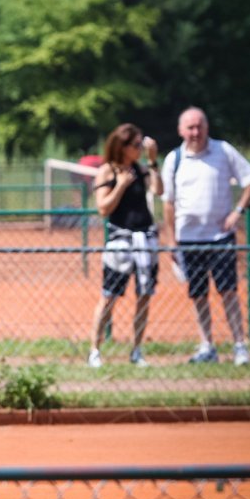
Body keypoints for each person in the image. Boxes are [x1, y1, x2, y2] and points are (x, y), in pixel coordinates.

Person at [161, 107, 250, 365]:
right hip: (188, 239)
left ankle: (240, 346)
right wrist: (171, 240)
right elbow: (168, 203)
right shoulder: (174, 159)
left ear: (207, 127)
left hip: (220, 237)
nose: (195, 132)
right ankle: (207, 346)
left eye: (199, 126)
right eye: (190, 127)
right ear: (181, 130)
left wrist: (237, 211)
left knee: (228, 291)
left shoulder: (223, 151)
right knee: (198, 294)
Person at [88, 124, 163, 368]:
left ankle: (137, 351)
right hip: (120, 242)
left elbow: (158, 190)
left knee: (144, 297)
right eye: (136, 145)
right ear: (122, 146)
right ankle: (95, 350)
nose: (140, 149)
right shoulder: (107, 171)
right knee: (109, 297)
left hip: (145, 240)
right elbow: (103, 208)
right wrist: (120, 185)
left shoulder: (141, 169)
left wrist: (153, 162)